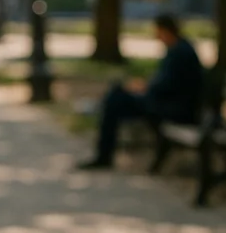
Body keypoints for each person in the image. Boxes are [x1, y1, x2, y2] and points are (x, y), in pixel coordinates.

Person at [78, 13, 205, 170]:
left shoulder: (179, 52)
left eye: (157, 31)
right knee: (116, 97)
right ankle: (103, 149)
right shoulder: (179, 48)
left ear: (165, 30)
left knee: (115, 99)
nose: (156, 35)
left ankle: (104, 154)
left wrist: (145, 88)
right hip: (170, 104)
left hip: (173, 109)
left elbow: (166, 86)